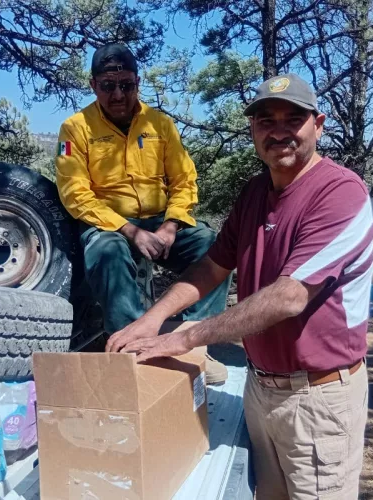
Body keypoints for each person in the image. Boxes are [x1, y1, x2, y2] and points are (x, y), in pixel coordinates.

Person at [107, 73, 373, 499]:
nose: (279, 131)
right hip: (260, 389)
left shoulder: (340, 193)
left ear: (319, 125)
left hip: (318, 398)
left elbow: (289, 297)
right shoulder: (255, 193)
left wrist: (185, 337)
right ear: (253, 129)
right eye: (266, 121)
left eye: (294, 119)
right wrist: (152, 319)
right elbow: (212, 266)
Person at [55, 43, 231, 384]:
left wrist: (170, 226)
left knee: (213, 246)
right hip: (106, 224)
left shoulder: (160, 124)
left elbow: (184, 179)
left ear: (137, 82)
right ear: (93, 85)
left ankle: (196, 346)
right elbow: (75, 194)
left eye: (126, 85)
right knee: (108, 252)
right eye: (108, 86)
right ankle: (132, 349)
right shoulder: (75, 128)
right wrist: (130, 231)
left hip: (159, 222)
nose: (118, 95)